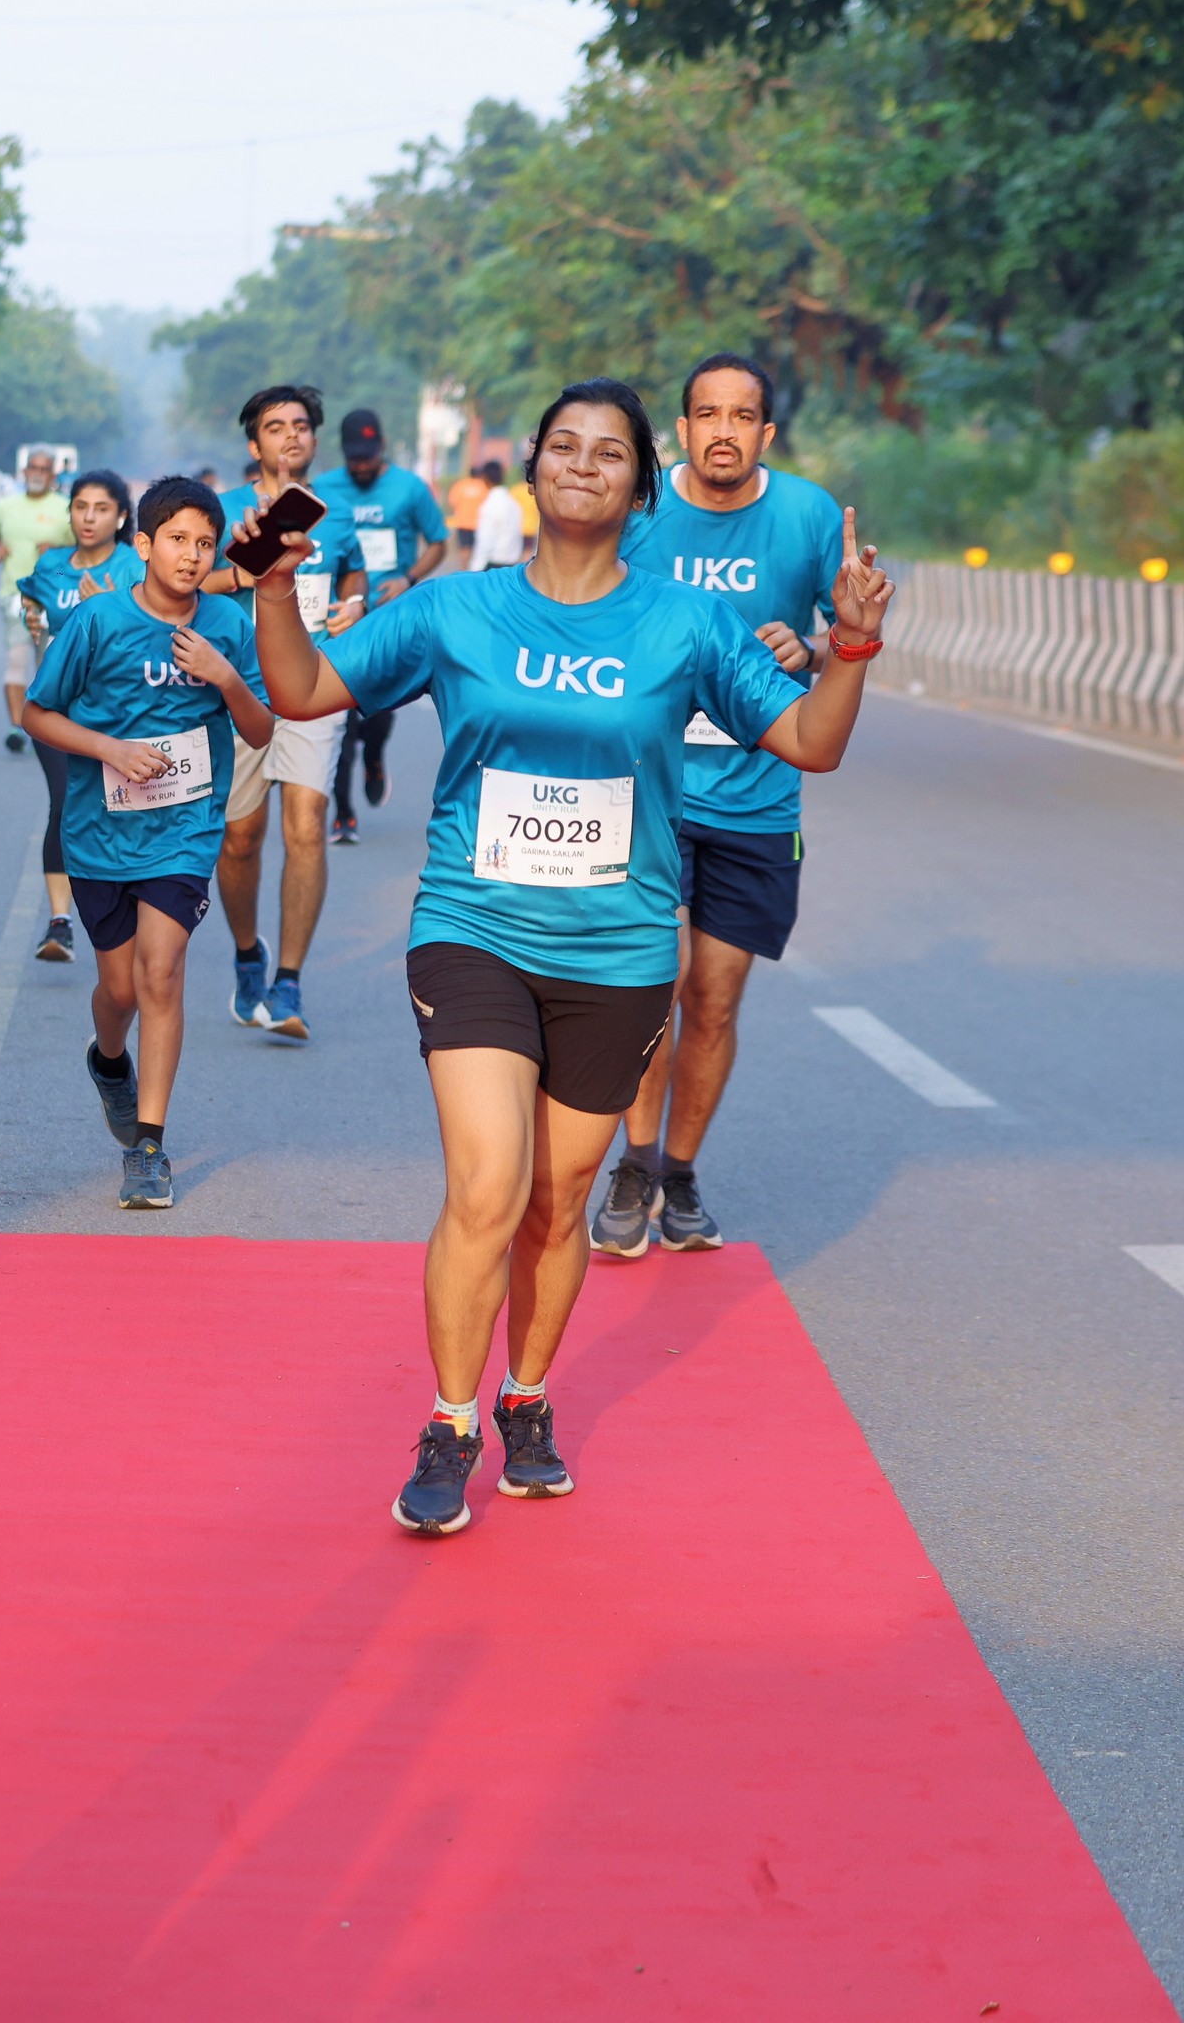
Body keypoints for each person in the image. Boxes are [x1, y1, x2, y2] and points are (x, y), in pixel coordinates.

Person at [248, 376, 888, 1538]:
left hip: (621, 950)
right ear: (533, 468)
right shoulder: (456, 610)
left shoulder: (686, 625)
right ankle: (449, 1423)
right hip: (474, 930)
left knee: (556, 1203)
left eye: (609, 452)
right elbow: (299, 688)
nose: (582, 463)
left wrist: (850, 642)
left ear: (642, 488)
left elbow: (810, 739)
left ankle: (526, 1396)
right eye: (563, 445)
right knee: (488, 1185)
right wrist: (274, 587)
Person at [591, 354, 858, 1258]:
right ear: (682, 430)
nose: (724, 432)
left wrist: (812, 648)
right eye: (707, 414)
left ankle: (679, 1171)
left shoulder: (808, 516)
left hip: (757, 800)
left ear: (766, 433)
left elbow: (847, 633)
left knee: (713, 998)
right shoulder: (642, 514)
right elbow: (587, 606)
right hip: (650, 794)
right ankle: (633, 1162)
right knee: (652, 984)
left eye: (742, 417)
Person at [21, 477, 273, 1208]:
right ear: (143, 545)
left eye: (205, 544)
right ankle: (109, 1063)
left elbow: (261, 729)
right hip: (100, 833)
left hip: (184, 830)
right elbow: (38, 714)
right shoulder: (97, 622)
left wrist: (225, 678)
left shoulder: (226, 624)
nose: (191, 556)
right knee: (121, 990)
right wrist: (109, 749)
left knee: (161, 973)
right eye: (176, 540)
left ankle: (150, 1148)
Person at [212, 385, 362, 1040]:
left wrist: (354, 604)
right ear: (255, 444)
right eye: (276, 427)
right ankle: (249, 953)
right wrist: (243, 576)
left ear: (314, 439)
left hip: (316, 684)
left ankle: (289, 983)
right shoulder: (224, 511)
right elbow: (186, 580)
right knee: (240, 839)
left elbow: (355, 575)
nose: (291, 436)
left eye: (300, 425)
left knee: (306, 825)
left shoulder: (337, 513)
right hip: (241, 690)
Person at [18, 472, 146, 962]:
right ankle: (59, 922)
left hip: (119, 715)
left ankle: (126, 911)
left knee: (116, 810)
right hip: (57, 712)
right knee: (64, 801)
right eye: (80, 507)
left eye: (101, 508)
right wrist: (31, 618)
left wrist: (107, 611)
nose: (89, 518)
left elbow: (151, 633)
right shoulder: (51, 564)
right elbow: (34, 610)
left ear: (121, 516)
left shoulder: (133, 566)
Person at [317, 409, 449, 846]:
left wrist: (408, 579)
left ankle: (374, 757)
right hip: (338, 619)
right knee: (339, 721)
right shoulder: (323, 489)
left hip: (388, 618)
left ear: (383, 447)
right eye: (354, 457)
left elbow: (439, 542)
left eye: (368, 456)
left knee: (375, 715)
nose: (361, 465)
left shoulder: (409, 488)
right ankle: (343, 813)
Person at [0, 448, 73, 754]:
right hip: (15, 594)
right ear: (23, 472)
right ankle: (16, 727)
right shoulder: (6, 506)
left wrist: (58, 552)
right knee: (16, 660)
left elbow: (82, 554)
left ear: (53, 475)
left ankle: (47, 727)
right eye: (32, 467)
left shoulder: (65, 508)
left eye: (44, 469)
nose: (37, 473)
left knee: (47, 665)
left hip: (55, 597)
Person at [469, 459, 530, 570]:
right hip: (511, 565)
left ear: (484, 478)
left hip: (492, 565)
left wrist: (474, 570)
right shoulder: (514, 504)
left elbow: (485, 542)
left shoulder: (490, 505)